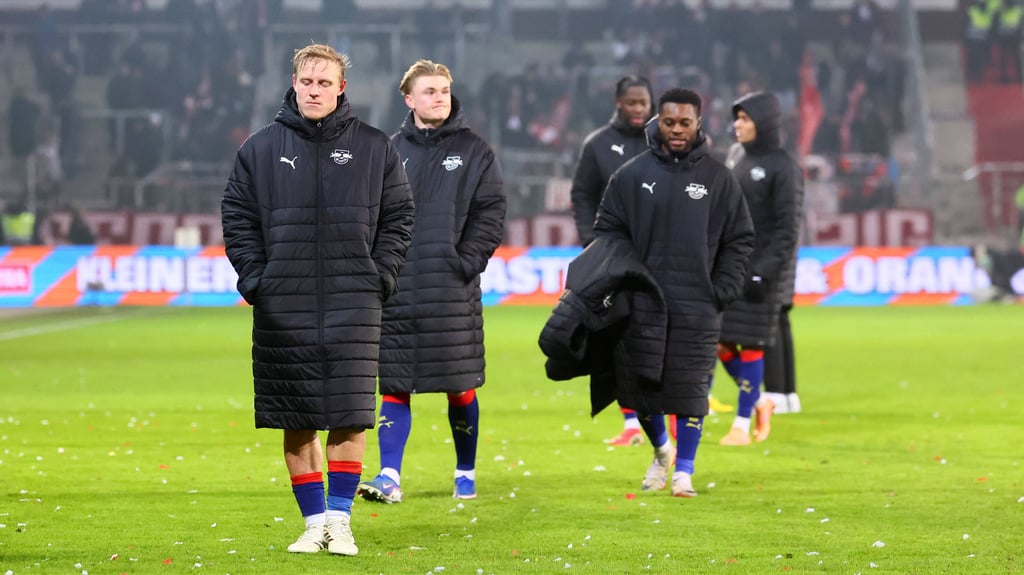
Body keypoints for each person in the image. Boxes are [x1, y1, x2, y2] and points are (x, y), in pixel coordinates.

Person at [220, 43, 415, 557]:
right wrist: (257, 280)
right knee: (297, 415)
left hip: (355, 301)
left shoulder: (374, 146)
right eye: (306, 82)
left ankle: (340, 522)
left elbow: (400, 215)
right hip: (284, 304)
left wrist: (380, 276)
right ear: (294, 83)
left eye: (324, 82)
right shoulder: (260, 148)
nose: (314, 90)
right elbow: (236, 216)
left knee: (351, 413)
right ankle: (313, 525)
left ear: (341, 88)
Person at [591, 88, 754, 497]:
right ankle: (662, 450)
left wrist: (723, 289)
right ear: (657, 122)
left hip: (698, 305)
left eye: (685, 122)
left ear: (698, 123)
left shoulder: (718, 178)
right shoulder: (631, 175)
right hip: (643, 303)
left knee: (691, 391)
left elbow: (739, 239)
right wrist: (624, 281)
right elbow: (607, 231)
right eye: (669, 122)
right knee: (642, 391)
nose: (677, 130)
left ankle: (684, 472)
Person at [357, 59, 506, 504]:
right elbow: (369, 213)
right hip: (398, 289)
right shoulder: (388, 150)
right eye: (429, 91)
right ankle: (389, 476)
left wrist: (465, 261)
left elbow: (491, 212)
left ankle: (465, 472)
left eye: (444, 90)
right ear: (409, 99)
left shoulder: (475, 150)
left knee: (459, 384)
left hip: (450, 289)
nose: (439, 98)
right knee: (395, 384)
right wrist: (381, 267)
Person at [569, 75, 655, 446]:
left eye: (643, 102)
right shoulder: (598, 144)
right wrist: (593, 242)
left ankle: (663, 412)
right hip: (613, 255)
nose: (638, 108)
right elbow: (581, 195)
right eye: (631, 102)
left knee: (656, 333)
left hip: (656, 253)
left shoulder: (661, 139)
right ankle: (632, 422)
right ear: (618, 102)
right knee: (617, 334)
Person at [718, 91, 804, 445]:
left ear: (764, 123)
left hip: (760, 272)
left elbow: (788, 229)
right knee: (717, 341)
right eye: (737, 118)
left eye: (745, 118)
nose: (737, 124)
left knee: (751, 344)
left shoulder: (784, 167)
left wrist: (763, 271)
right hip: (730, 265)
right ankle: (760, 402)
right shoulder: (735, 155)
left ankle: (741, 425)